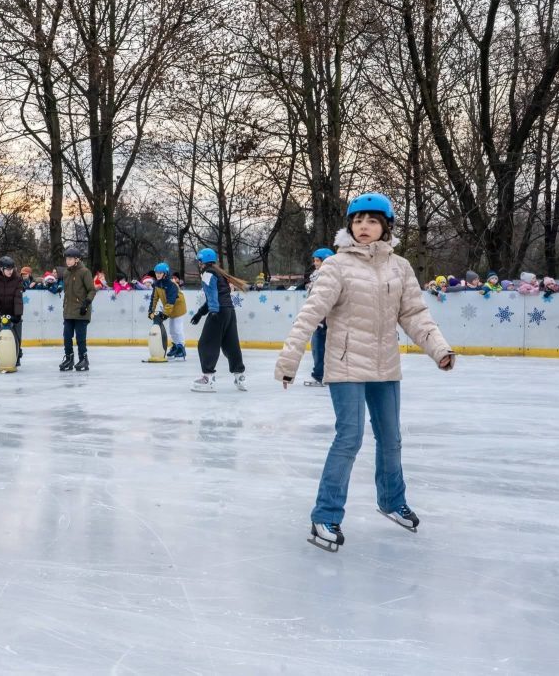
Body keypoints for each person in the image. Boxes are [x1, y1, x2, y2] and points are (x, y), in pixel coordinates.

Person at [274, 192, 455, 552]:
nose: (364, 227)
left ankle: (391, 500)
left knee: (391, 438)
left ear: (385, 227)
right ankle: (325, 514)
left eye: (372, 221)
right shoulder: (337, 267)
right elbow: (310, 314)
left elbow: (415, 315)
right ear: (350, 227)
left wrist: (439, 348)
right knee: (349, 438)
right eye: (358, 221)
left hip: (385, 366)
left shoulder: (399, 267)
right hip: (345, 368)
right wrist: (289, 360)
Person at [190, 247, 248, 392]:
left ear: (202, 261)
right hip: (229, 311)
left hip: (219, 312)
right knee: (230, 344)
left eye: (199, 261)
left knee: (206, 344)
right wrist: (200, 313)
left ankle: (207, 378)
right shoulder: (219, 273)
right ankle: (239, 375)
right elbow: (216, 296)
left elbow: (212, 294)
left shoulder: (207, 273)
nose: (199, 263)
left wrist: (214, 312)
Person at [58, 247, 96, 371]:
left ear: (77, 259)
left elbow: (92, 290)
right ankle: (69, 359)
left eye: (70, 259)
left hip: (81, 310)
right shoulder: (66, 273)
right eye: (66, 259)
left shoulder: (85, 272)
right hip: (69, 311)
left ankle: (83, 359)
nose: (68, 261)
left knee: (80, 338)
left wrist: (86, 303)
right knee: (67, 336)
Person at [306, 247, 335, 387]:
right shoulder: (316, 276)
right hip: (319, 318)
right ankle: (322, 375)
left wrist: (322, 317)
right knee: (318, 347)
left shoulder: (330, 277)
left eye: (318, 260)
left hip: (325, 318)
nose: (315, 263)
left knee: (320, 347)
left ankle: (321, 375)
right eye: (314, 260)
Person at [149, 262, 187, 361]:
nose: (157, 275)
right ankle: (175, 346)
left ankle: (181, 348)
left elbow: (171, 300)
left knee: (177, 329)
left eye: (160, 273)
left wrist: (164, 314)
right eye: (156, 273)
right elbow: (154, 298)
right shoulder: (157, 284)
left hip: (178, 308)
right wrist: (150, 311)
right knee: (171, 330)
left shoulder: (171, 284)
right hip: (169, 309)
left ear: (165, 274)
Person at [0, 255, 24, 365]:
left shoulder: (17, 279)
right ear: (1, 269)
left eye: (12, 269)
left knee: (16, 334)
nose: (10, 271)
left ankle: (17, 356)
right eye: (8, 269)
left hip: (15, 311)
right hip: (3, 313)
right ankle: (3, 356)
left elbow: (18, 298)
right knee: (4, 336)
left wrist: (18, 315)